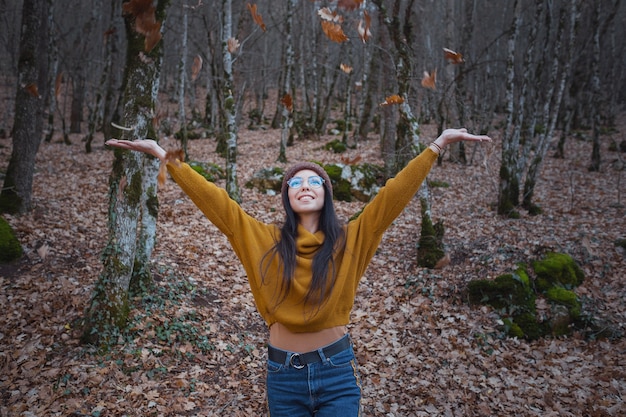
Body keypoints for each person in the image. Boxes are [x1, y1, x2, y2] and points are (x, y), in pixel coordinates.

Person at [106, 128, 492, 416]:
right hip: (283, 376)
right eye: (296, 181)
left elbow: (392, 195)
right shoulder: (263, 239)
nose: (305, 186)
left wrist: (437, 145)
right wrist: (164, 156)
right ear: (288, 196)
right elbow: (218, 203)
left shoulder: (352, 239)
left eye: (314, 181)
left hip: (336, 374)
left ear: (326, 194)